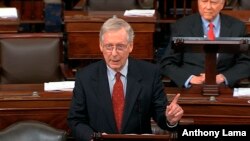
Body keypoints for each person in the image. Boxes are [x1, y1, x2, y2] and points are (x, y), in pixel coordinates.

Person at [67, 17, 184, 141]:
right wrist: (93, 138)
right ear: (101, 46)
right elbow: (75, 120)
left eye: (120, 47)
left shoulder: (149, 73)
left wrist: (170, 119)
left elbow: (161, 115)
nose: (114, 53)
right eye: (109, 46)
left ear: (130, 46)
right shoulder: (85, 77)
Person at [160, 0, 250, 88]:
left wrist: (223, 77)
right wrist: (190, 78)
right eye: (204, 1)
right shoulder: (182, 26)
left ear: (222, 4)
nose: (208, 7)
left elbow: (246, 62)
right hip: (190, 88)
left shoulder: (237, 27)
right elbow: (167, 62)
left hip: (224, 88)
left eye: (213, 2)